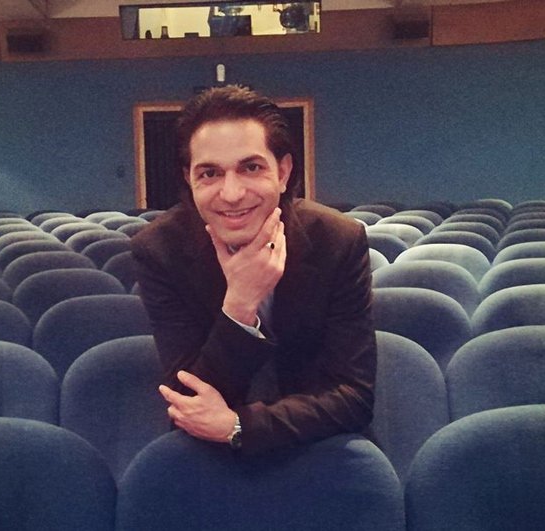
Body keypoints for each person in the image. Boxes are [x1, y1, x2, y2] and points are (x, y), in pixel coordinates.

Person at [131, 85, 376, 456]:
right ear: (189, 179)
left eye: (251, 167)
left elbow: (354, 396)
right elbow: (188, 402)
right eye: (209, 173)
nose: (231, 193)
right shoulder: (159, 251)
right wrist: (240, 306)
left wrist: (240, 426)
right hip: (210, 454)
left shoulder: (338, 240)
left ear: (283, 172)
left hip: (322, 446)